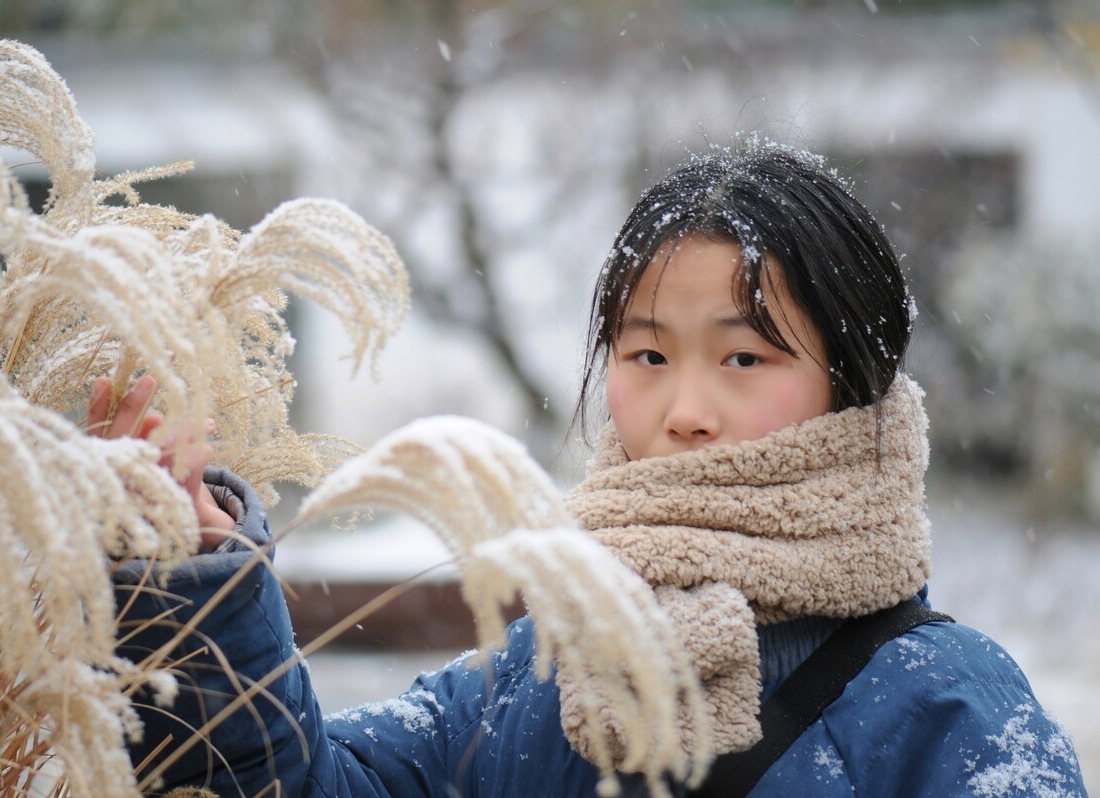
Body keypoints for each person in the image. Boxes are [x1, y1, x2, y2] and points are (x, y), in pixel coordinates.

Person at [106, 140, 1089, 797]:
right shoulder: (537, 678)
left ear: (857, 386)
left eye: (744, 358)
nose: (686, 412)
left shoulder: (946, 703)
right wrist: (194, 578)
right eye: (647, 356)